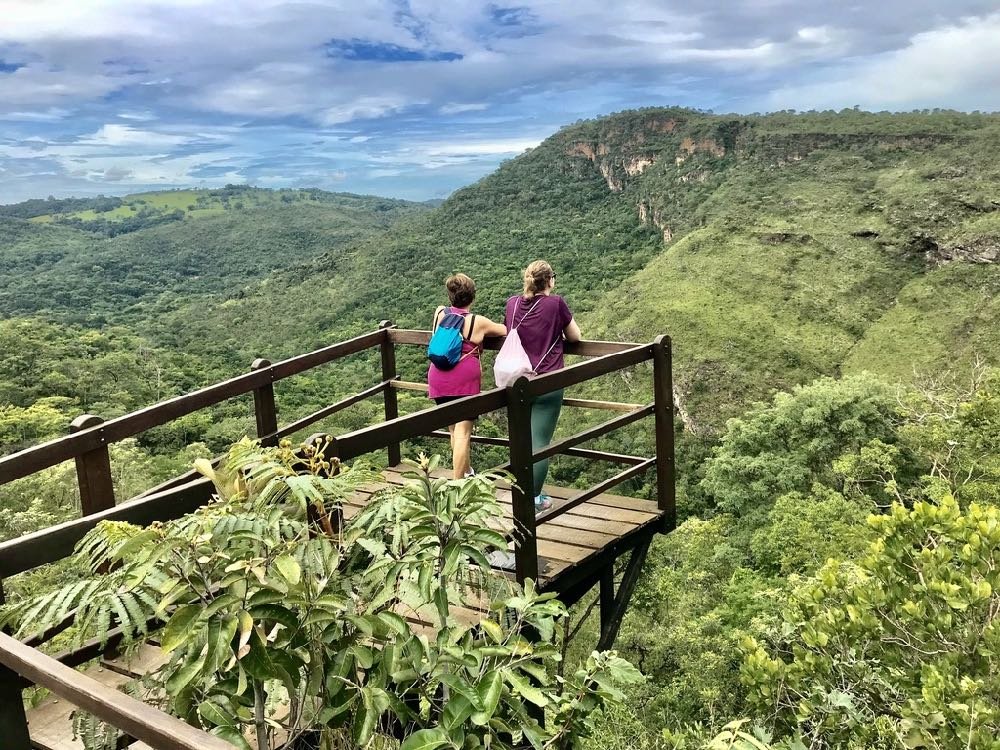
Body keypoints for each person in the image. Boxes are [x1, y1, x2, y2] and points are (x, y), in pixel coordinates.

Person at [504, 260, 582, 511]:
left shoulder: (512, 304)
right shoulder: (555, 303)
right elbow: (575, 337)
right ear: (549, 280)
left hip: (516, 382)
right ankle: (532, 500)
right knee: (539, 442)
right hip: (547, 381)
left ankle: (522, 491)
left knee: (521, 440)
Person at [428, 273, 506, 479]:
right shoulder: (477, 322)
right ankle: (457, 484)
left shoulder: (439, 313)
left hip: (437, 376)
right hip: (463, 380)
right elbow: (504, 330)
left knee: (454, 430)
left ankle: (466, 473)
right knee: (463, 432)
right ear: (472, 297)